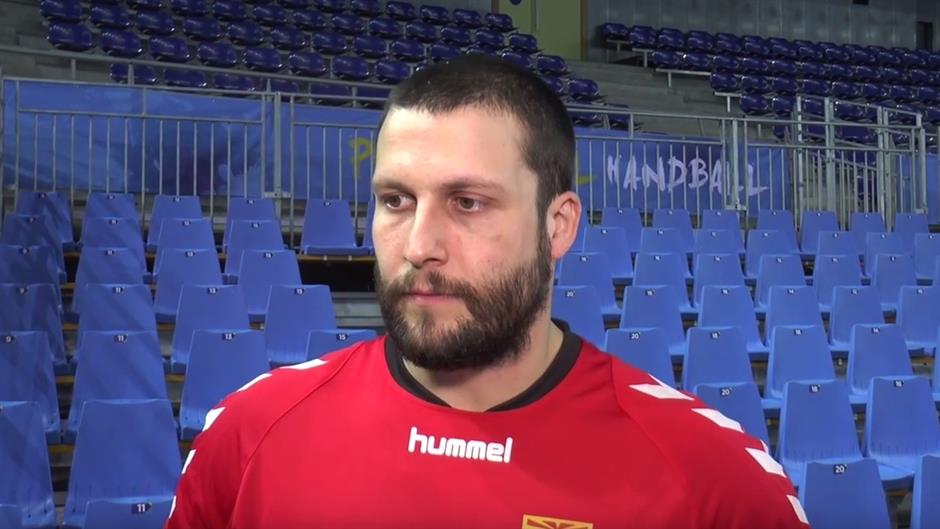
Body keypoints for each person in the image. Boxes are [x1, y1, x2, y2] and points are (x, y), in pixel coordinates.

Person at [166, 55, 807, 529]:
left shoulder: (713, 479)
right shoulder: (251, 434)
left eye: (468, 202)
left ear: (558, 226)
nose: (419, 246)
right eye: (396, 200)